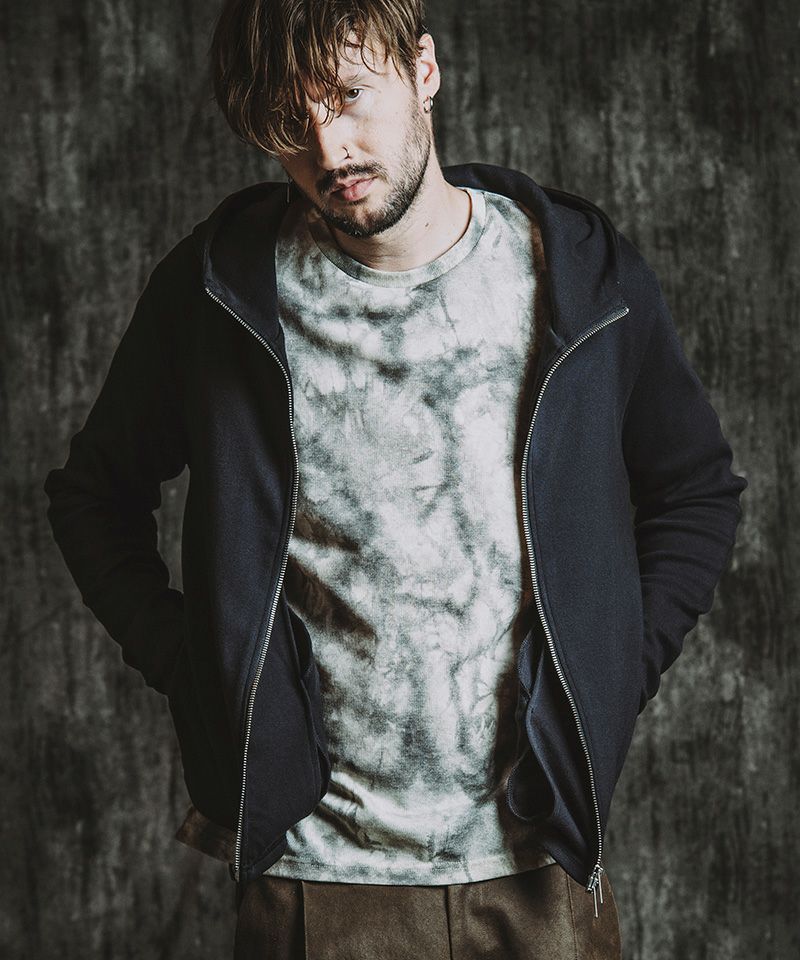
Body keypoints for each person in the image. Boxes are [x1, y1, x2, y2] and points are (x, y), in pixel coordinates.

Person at [43, 1, 748, 957]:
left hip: (540, 870)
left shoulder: (580, 275)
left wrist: (620, 660)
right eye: (290, 119)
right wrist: (193, 666)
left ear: (423, 70)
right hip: (320, 880)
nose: (328, 147)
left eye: (347, 95)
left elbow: (696, 490)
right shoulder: (220, 293)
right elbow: (94, 497)